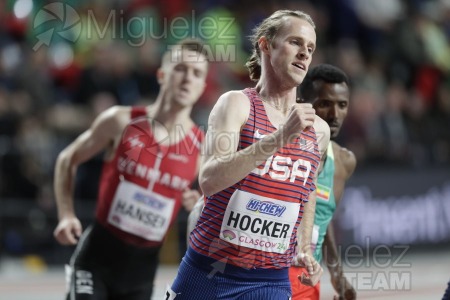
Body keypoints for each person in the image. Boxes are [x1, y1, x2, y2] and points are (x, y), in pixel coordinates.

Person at [167, 10, 330, 299]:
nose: (304, 54)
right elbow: (209, 179)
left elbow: (308, 192)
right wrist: (279, 138)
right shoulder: (237, 105)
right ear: (266, 45)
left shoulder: (317, 128)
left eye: (310, 48)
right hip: (208, 274)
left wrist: (304, 248)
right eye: (295, 42)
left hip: (271, 280)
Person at [52, 38, 209, 300]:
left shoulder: (201, 147)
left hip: (141, 276)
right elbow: (68, 159)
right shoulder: (121, 120)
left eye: (196, 73)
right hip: (96, 261)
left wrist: (196, 203)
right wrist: (66, 214)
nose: (187, 79)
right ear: (162, 74)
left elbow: (207, 204)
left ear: (203, 86)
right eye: (180, 68)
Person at [289, 64, 357, 300]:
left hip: (308, 279)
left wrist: (337, 274)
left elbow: (322, 218)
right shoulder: (280, 151)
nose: (334, 115)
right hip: (272, 275)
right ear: (302, 102)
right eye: (325, 104)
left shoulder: (343, 162)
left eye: (342, 105)